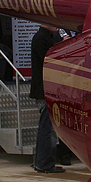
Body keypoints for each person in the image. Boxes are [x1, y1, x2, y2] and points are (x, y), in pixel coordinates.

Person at [30, 23, 65, 173]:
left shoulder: (45, 37)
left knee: (46, 129)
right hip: (45, 90)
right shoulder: (41, 39)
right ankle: (44, 163)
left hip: (45, 90)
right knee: (48, 130)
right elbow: (51, 59)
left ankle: (41, 162)